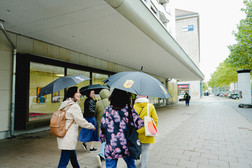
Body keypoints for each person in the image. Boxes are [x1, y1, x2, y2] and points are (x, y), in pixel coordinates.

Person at [100, 89, 144, 168]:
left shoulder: (108, 109)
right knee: (131, 164)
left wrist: (102, 139)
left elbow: (102, 126)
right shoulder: (129, 109)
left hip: (111, 144)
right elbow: (139, 124)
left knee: (110, 165)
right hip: (126, 144)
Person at [57, 86, 95, 168]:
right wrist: (91, 126)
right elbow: (80, 121)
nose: (79, 94)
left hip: (63, 132)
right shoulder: (74, 106)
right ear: (73, 94)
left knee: (73, 156)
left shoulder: (64, 103)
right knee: (63, 162)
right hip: (69, 135)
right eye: (78, 92)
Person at [133, 95, 158, 168]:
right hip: (147, 133)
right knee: (145, 150)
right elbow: (155, 120)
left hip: (136, 133)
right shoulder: (150, 106)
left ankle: (133, 163)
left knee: (138, 148)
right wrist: (150, 127)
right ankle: (143, 166)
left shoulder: (134, 106)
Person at [95, 89, 111, 167]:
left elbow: (96, 113)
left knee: (103, 139)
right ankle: (101, 154)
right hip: (110, 124)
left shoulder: (98, 103)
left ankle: (102, 154)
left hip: (101, 124)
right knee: (107, 140)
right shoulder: (111, 101)